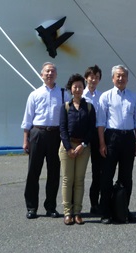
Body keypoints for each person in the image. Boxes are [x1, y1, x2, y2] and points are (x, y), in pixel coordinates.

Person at [97, 65, 136, 224]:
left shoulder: (133, 97)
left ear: (127, 78)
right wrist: (102, 143)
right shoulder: (106, 96)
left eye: (123, 76)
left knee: (126, 177)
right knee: (107, 176)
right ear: (113, 78)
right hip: (111, 137)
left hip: (128, 138)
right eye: (118, 76)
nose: (121, 78)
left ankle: (123, 209)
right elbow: (101, 122)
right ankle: (106, 212)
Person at [21, 62, 66, 219]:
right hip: (37, 133)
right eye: (47, 71)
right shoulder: (34, 94)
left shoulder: (63, 94)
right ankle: (31, 207)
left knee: (54, 173)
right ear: (42, 75)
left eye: (52, 71)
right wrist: (25, 140)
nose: (49, 74)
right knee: (33, 172)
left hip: (55, 135)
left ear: (56, 75)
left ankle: (51, 207)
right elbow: (27, 119)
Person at [59, 73, 97, 225]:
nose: (77, 89)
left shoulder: (89, 107)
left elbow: (91, 129)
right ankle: (67, 212)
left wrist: (83, 145)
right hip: (67, 147)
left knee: (79, 180)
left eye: (80, 86)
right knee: (68, 180)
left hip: (83, 147)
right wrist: (68, 148)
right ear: (70, 88)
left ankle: (77, 212)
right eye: (75, 86)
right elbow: (62, 129)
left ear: (84, 88)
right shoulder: (65, 107)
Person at [83, 65, 103, 215]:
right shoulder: (79, 96)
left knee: (98, 173)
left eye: (96, 77)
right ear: (86, 78)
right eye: (91, 76)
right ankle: (74, 206)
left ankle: (95, 204)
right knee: (78, 173)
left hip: (97, 136)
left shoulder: (102, 97)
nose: (94, 79)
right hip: (82, 136)